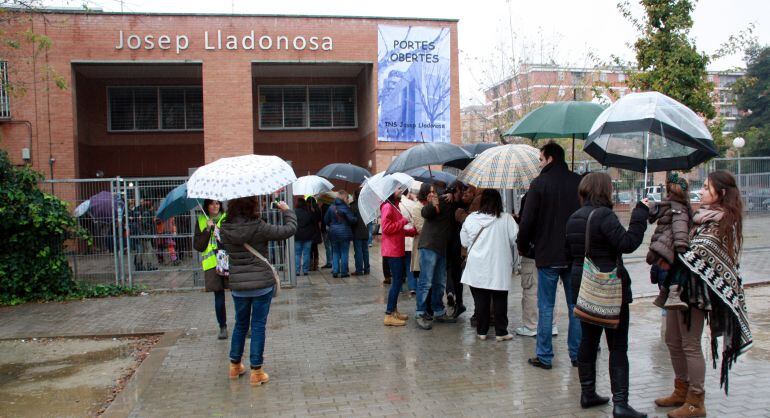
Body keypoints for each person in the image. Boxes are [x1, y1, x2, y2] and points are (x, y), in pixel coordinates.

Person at [655, 171, 752, 418]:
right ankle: (681, 388)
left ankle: (696, 401)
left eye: (708, 188)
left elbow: (700, 253)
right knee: (672, 339)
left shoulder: (722, 220)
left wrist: (674, 250)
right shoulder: (698, 217)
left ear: (720, 193)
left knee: (689, 343)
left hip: (698, 293)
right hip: (680, 287)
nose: (702, 191)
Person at [565, 173, 649, 418]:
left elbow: (568, 252)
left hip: (584, 285)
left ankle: (587, 393)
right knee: (617, 346)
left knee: (588, 340)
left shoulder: (573, 218)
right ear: (604, 191)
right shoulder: (605, 216)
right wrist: (640, 215)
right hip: (609, 287)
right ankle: (621, 404)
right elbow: (627, 243)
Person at [219, 196, 297, 386]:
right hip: (261, 284)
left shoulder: (224, 229)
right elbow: (289, 230)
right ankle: (256, 371)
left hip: (238, 285)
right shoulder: (259, 226)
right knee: (258, 325)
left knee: (240, 324)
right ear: (252, 206)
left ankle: (235, 366)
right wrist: (287, 211)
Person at [517, 142, 581, 369]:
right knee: (576, 307)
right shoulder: (577, 182)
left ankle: (544, 356)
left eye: (541, 159)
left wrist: (522, 245)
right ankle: (577, 355)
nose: (540, 164)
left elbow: (527, 221)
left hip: (548, 255)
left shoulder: (539, 184)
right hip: (574, 254)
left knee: (546, 306)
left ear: (551, 158)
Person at [460, 189, 518, 341]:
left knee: (480, 300)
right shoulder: (506, 219)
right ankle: (501, 332)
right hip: (499, 265)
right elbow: (515, 239)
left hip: (477, 266)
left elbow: (464, 242)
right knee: (500, 298)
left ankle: (482, 331)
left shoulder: (471, 218)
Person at [513, 192, 558, 337]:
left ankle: (531, 325)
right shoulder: (557, 194)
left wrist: (522, 246)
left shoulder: (532, 195)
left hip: (533, 251)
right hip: (553, 251)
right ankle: (551, 325)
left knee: (531, 288)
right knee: (550, 290)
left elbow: (526, 223)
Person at [646, 173, 692, 310]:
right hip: (670, 251)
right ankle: (673, 295)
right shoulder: (680, 209)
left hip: (659, 249)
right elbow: (680, 229)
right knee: (679, 271)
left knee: (666, 276)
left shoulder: (666, 204)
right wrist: (682, 246)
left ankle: (663, 295)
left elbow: (653, 210)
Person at [414, 183, 457, 330]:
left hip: (441, 248)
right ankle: (420, 312)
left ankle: (438, 311)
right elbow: (425, 213)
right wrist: (433, 203)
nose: (462, 195)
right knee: (426, 282)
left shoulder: (453, 201)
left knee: (439, 283)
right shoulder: (440, 199)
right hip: (429, 246)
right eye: (460, 192)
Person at [193, 199, 229, 339]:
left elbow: (234, 238)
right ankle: (222, 327)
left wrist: (220, 235)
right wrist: (208, 230)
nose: (215, 206)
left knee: (238, 293)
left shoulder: (227, 219)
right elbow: (198, 246)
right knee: (219, 296)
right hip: (212, 263)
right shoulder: (202, 220)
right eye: (212, 203)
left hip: (227, 260)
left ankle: (244, 325)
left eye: (218, 203)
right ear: (206, 206)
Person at [381, 189, 416, 326]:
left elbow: (396, 230)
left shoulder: (394, 205)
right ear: (390, 191)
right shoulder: (388, 206)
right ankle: (389, 314)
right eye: (398, 189)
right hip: (392, 250)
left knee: (399, 280)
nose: (401, 190)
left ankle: (394, 311)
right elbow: (387, 228)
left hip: (397, 248)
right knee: (397, 282)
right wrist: (403, 221)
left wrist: (411, 232)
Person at [324, 191, 356, 278]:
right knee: (344, 252)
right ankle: (344, 272)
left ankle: (335, 271)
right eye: (347, 198)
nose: (348, 199)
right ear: (344, 198)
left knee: (335, 252)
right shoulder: (345, 208)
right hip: (344, 233)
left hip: (333, 233)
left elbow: (326, 220)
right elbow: (352, 220)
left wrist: (332, 224)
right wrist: (354, 218)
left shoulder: (331, 207)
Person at [399, 186, 423, 294]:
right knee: (410, 263)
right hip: (410, 236)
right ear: (408, 193)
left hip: (400, 236)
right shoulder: (412, 204)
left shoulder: (396, 204)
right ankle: (413, 286)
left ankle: (399, 287)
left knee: (398, 263)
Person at [129, 199, 158, 271]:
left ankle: (140, 266)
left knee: (142, 250)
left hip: (141, 233)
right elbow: (145, 223)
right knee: (149, 250)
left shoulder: (140, 211)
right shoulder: (146, 212)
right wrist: (150, 225)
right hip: (145, 234)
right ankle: (148, 266)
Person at [350, 189, 371, 276]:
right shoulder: (366, 205)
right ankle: (367, 269)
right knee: (365, 251)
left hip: (357, 232)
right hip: (365, 231)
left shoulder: (353, 206)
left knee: (358, 251)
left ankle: (359, 270)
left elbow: (351, 220)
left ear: (355, 195)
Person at [294, 197, 315, 276]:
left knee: (297, 254)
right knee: (306, 253)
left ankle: (297, 271)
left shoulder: (294, 212)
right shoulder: (308, 212)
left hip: (297, 235)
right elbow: (313, 222)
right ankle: (305, 270)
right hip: (308, 236)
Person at [306, 196, 323, 271]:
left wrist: (313, 213)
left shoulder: (309, 210)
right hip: (316, 231)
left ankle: (311, 265)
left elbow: (314, 219)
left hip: (310, 231)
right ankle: (315, 265)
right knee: (314, 248)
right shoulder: (318, 209)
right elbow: (319, 220)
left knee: (310, 248)